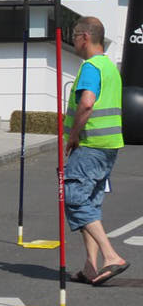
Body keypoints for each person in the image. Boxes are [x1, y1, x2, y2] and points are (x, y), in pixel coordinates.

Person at [64, 16, 129, 286]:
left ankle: (110, 255)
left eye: (74, 37)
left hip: (89, 144)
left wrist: (73, 135)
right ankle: (90, 266)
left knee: (75, 199)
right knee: (90, 202)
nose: (73, 42)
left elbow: (87, 103)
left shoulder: (91, 67)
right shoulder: (109, 67)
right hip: (108, 144)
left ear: (85, 37)